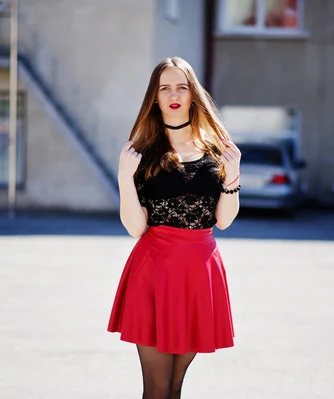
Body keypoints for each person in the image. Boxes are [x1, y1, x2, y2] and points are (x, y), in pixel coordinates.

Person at [107, 56, 241, 399]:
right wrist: (124, 177)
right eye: (165, 88)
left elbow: (223, 220)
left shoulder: (216, 152)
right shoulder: (142, 153)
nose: (173, 94)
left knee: (175, 388)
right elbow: (135, 227)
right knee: (157, 387)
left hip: (199, 271)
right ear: (154, 97)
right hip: (154, 270)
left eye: (181, 86)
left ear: (193, 95)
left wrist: (234, 173)